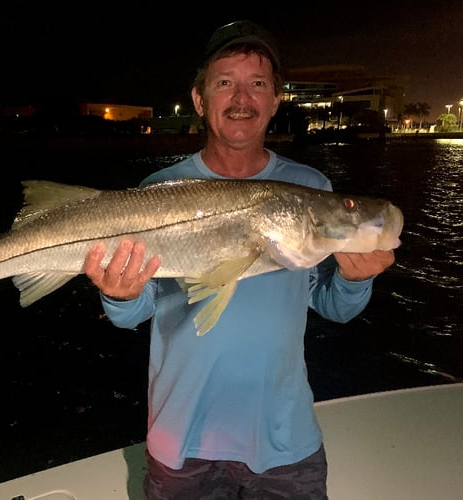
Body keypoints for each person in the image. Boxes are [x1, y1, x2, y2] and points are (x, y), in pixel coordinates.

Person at [84, 20, 395, 499]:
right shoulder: (157, 193)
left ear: (275, 100)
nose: (241, 98)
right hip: (180, 440)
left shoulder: (311, 188)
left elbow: (334, 305)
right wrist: (116, 294)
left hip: (283, 441)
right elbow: (136, 311)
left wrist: (355, 282)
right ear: (199, 99)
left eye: (257, 84)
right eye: (225, 83)